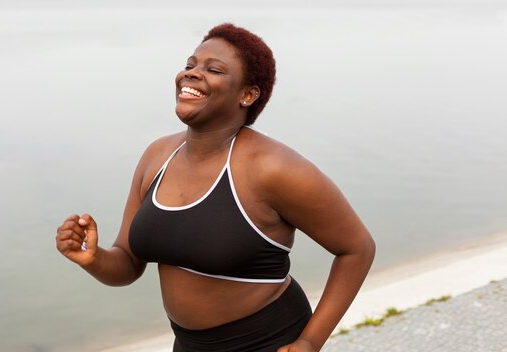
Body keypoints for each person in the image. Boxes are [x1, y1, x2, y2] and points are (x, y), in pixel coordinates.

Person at [56, 23, 375, 352]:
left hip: (269, 341)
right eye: (190, 64)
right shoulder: (157, 156)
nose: (191, 74)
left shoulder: (274, 168)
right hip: (188, 345)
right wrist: (92, 258)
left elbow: (357, 248)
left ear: (247, 94)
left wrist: (309, 341)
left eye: (213, 69)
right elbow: (126, 264)